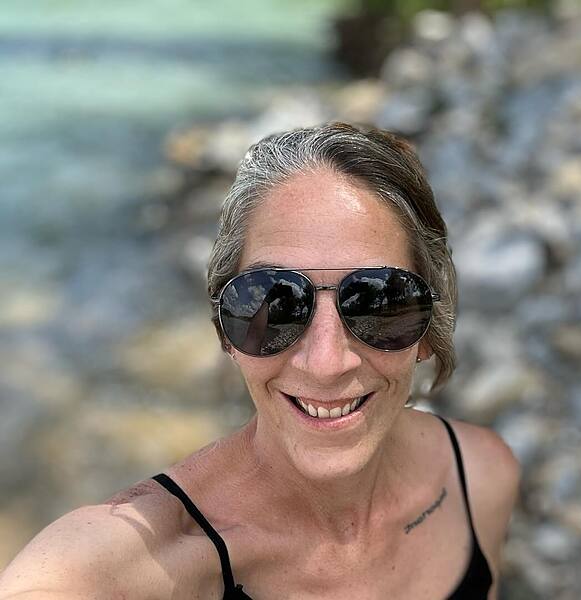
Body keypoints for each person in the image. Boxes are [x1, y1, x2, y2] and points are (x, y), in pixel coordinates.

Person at [0, 123, 520, 599]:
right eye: (275, 303)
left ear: (428, 331)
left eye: (378, 302)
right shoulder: (158, 565)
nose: (325, 362)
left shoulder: (479, 479)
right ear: (226, 331)